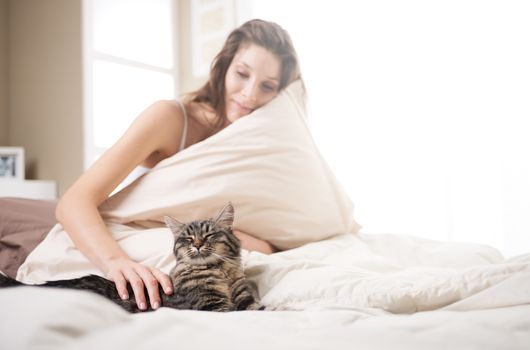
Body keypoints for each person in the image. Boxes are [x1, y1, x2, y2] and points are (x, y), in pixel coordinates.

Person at [54, 19, 303, 312]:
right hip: (132, 238)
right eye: (241, 73)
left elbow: (269, 239)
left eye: (267, 86)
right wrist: (116, 263)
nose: (250, 94)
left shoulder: (260, 146)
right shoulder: (170, 118)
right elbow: (73, 202)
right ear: (223, 66)